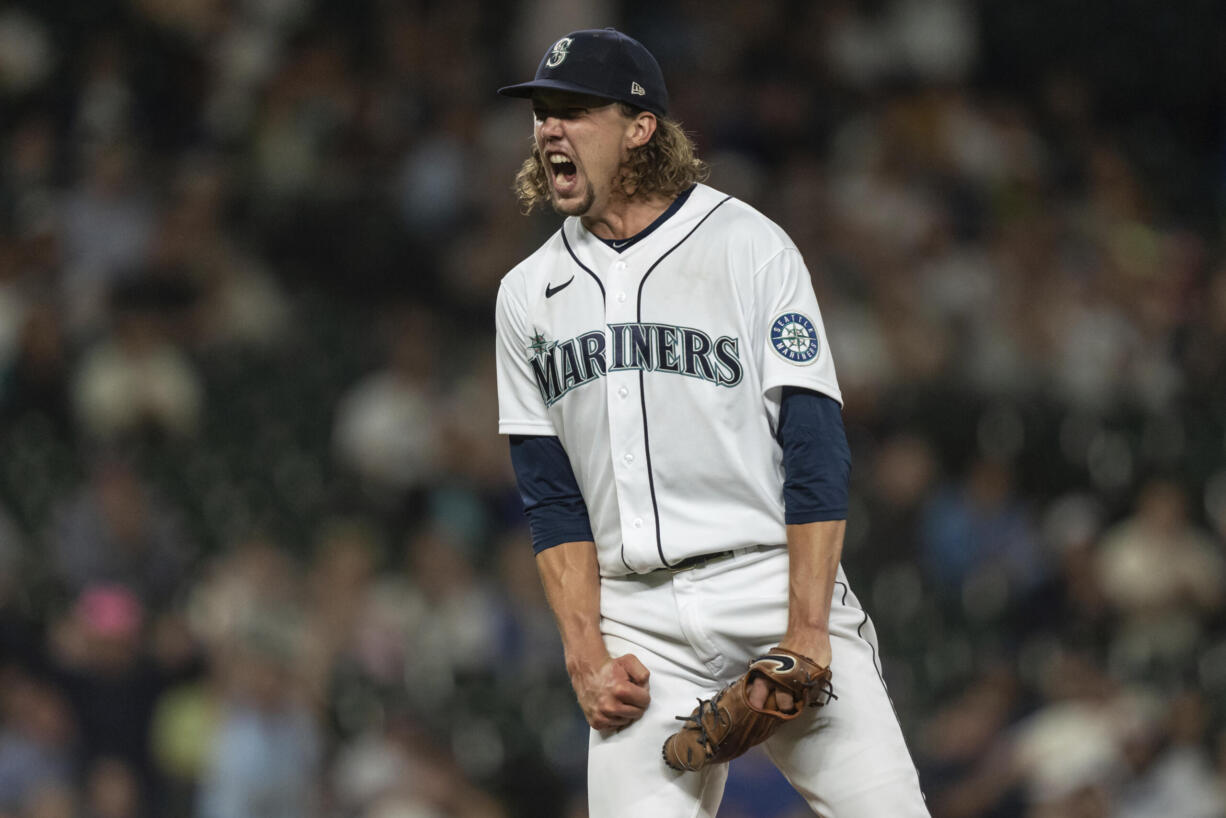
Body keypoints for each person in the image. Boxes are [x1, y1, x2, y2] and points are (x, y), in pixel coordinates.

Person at [493, 28, 929, 817]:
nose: (549, 128)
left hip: (767, 579)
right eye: (541, 113)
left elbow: (816, 446)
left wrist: (805, 626)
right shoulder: (526, 295)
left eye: (573, 110)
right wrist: (585, 653)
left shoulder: (748, 248)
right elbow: (549, 495)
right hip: (638, 624)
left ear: (640, 126)